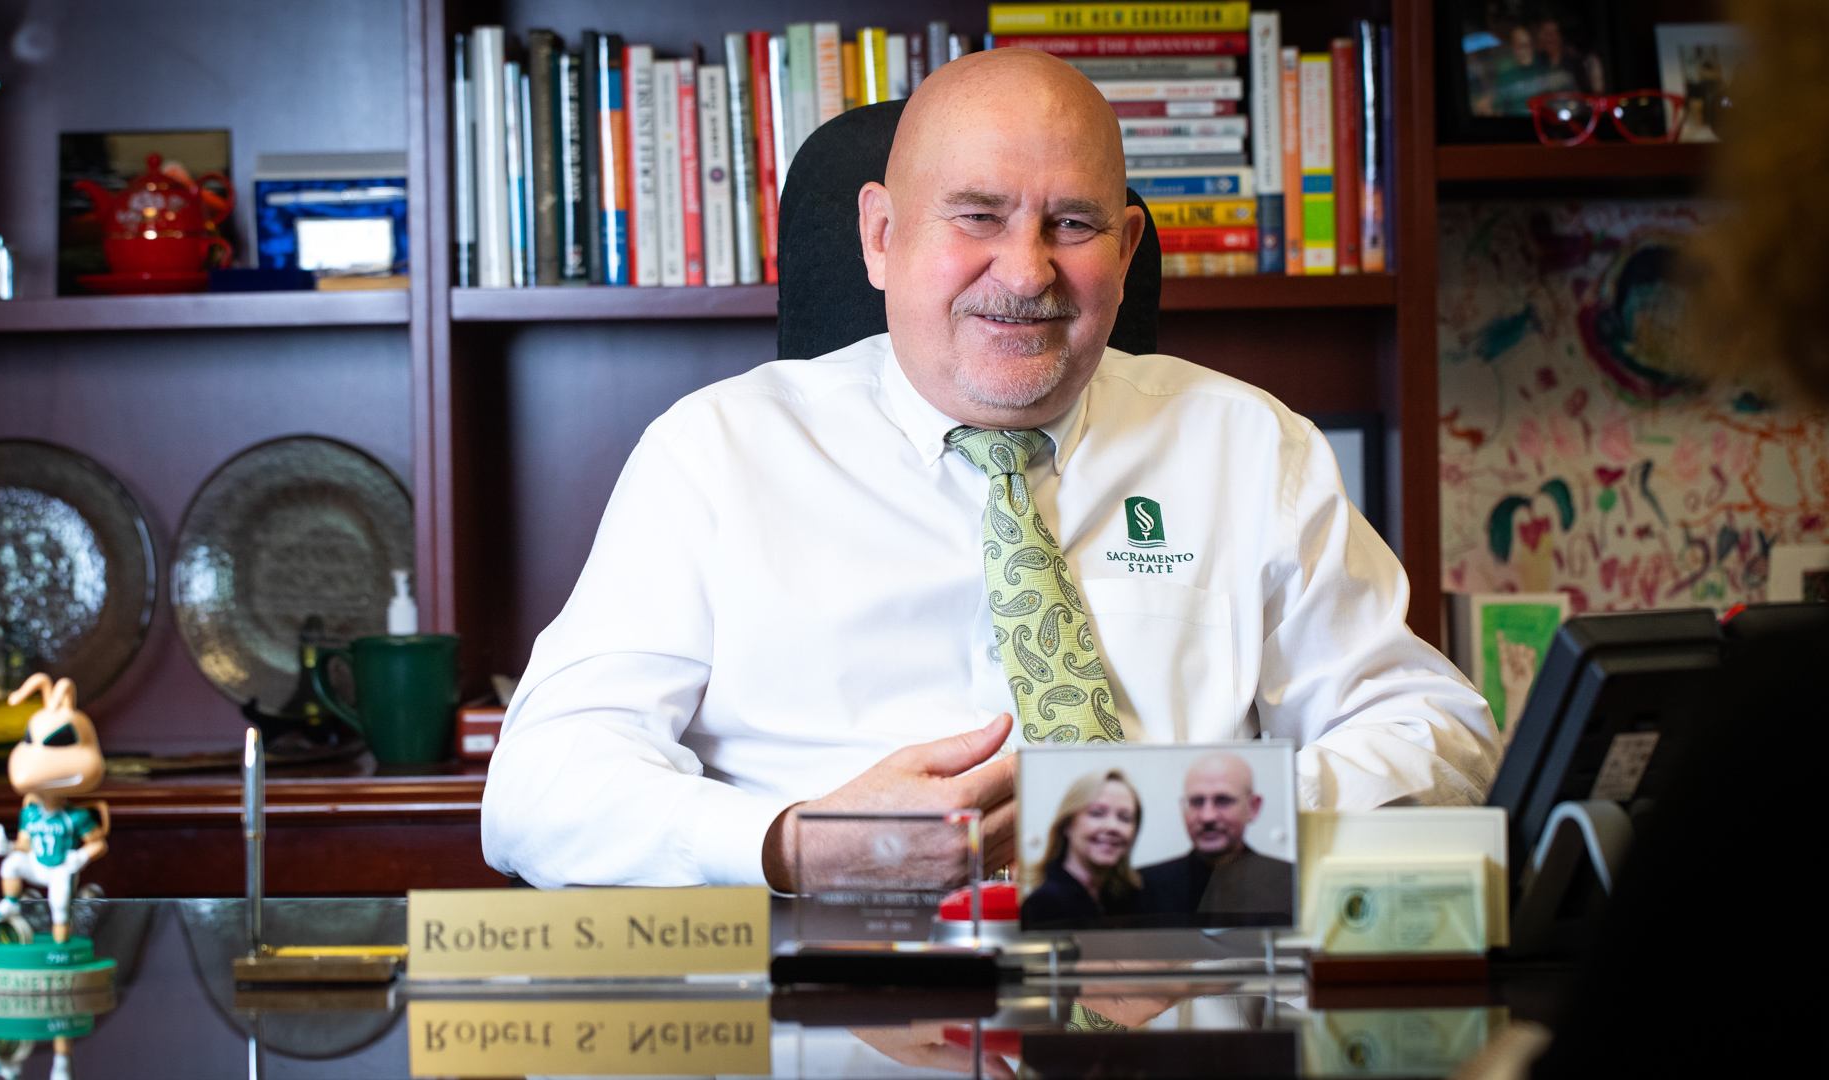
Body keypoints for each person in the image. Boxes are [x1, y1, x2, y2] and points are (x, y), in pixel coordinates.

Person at [482, 47, 1498, 890]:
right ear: (882, 237)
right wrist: (796, 842)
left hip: (1172, 1001)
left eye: (1074, 223)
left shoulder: (1249, 448)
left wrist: (1188, 817)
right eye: (977, 215)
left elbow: (1440, 739)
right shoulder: (716, 454)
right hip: (834, 1007)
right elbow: (538, 792)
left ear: (1130, 246)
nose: (1026, 272)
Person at [1136, 753, 1294, 923]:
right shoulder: (1142, 888)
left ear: (1253, 807)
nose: (1208, 817)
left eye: (1223, 800)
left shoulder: (1292, 883)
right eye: (1197, 801)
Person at [1021, 770, 1145, 926]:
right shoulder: (1043, 905)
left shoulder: (1128, 900)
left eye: (1125, 818)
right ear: (1066, 824)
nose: (1113, 827)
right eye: (1097, 813)